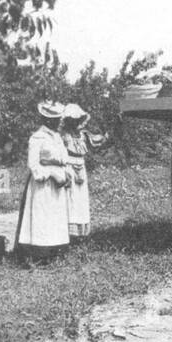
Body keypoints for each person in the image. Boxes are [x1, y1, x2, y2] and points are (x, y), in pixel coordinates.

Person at [14, 102, 72, 264]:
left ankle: (54, 252)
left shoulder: (57, 137)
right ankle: (38, 255)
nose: (60, 122)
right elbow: (33, 165)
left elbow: (63, 159)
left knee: (55, 217)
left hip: (58, 184)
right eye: (57, 119)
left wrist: (65, 173)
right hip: (43, 185)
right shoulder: (37, 138)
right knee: (42, 217)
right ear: (48, 120)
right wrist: (51, 173)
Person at [60, 104, 104, 241]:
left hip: (81, 168)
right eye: (71, 119)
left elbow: (100, 141)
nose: (75, 122)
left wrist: (113, 129)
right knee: (69, 199)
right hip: (67, 167)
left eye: (77, 118)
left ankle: (80, 234)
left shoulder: (84, 135)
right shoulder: (62, 135)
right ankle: (67, 233)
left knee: (80, 199)